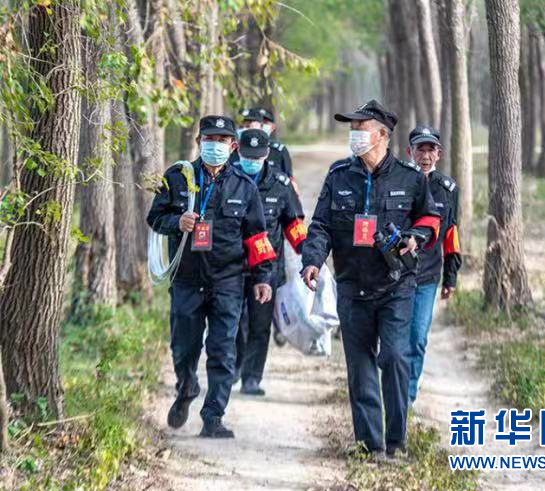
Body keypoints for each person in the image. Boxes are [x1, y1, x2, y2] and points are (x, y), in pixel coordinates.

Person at [301, 100, 441, 461]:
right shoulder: (338, 176)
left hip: (396, 286)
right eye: (351, 129)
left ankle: (396, 442)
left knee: (395, 358)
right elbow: (320, 225)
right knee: (360, 367)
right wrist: (313, 260)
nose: (354, 136)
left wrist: (414, 237)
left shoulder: (409, 178)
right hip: (352, 287)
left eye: (360, 129)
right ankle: (370, 445)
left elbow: (431, 219)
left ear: (382, 135)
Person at [147, 115, 276, 439]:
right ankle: (186, 386)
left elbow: (257, 237)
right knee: (184, 347)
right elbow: (155, 216)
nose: (214, 145)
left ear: (233, 146)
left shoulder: (244, 186)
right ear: (198, 141)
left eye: (221, 140)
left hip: (228, 282)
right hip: (187, 280)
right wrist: (177, 222)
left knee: (223, 350)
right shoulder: (178, 177)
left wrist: (262, 277)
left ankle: (213, 417)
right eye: (209, 139)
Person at [233, 128, 307, 395]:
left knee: (260, 324)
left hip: (266, 269)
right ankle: (235, 366)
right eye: (246, 156)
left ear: (266, 155)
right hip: (231, 266)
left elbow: (293, 223)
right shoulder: (227, 179)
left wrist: (307, 251)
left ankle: (252, 377)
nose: (250, 161)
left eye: (256, 157)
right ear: (237, 152)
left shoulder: (280, 184)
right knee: (233, 320)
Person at [406, 125, 462, 407]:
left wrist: (451, 277)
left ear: (439, 154)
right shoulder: (398, 182)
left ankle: (407, 397)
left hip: (428, 276)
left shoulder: (447, 189)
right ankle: (391, 388)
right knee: (393, 340)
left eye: (431, 150)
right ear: (409, 152)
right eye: (420, 149)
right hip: (395, 275)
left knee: (417, 337)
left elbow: (451, 234)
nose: (425, 156)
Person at [257, 106, 294, 178]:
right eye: (259, 122)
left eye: (265, 122)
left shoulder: (279, 150)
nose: (261, 125)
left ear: (273, 127)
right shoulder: (241, 149)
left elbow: (289, 178)